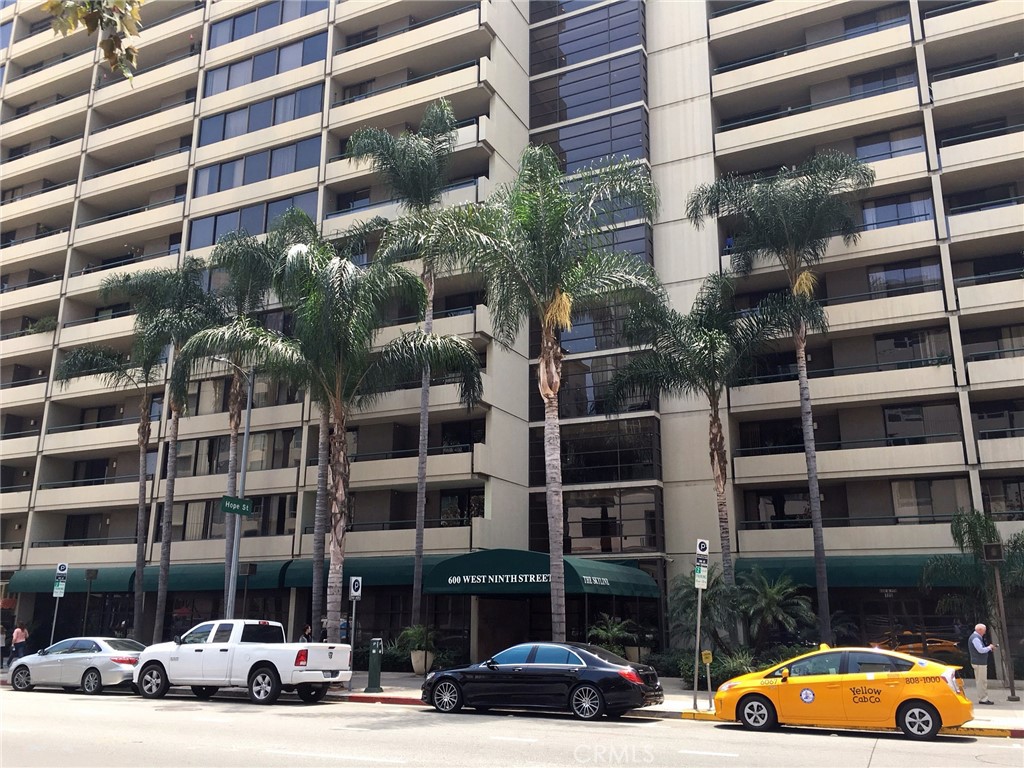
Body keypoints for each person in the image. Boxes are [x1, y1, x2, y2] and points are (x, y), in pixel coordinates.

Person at [969, 623, 997, 705]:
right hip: (979, 663)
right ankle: (983, 699)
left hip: (978, 662)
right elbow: (980, 650)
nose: (985, 633)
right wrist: (989, 647)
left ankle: (983, 698)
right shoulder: (975, 638)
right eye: (984, 631)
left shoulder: (975, 637)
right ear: (980, 630)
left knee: (981, 681)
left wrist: (988, 648)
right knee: (982, 681)